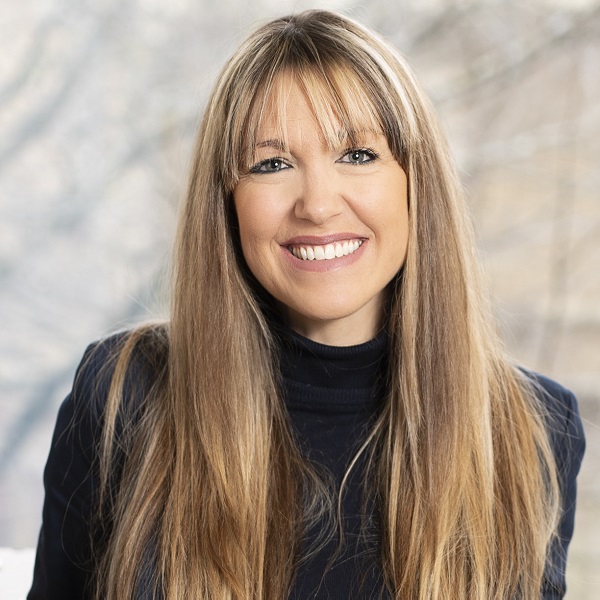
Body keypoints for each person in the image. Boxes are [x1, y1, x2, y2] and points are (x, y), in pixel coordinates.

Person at [28, 9, 585, 599]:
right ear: (227, 203)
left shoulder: (530, 432)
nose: (317, 205)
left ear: (416, 182)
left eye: (358, 154)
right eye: (272, 164)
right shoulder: (124, 394)